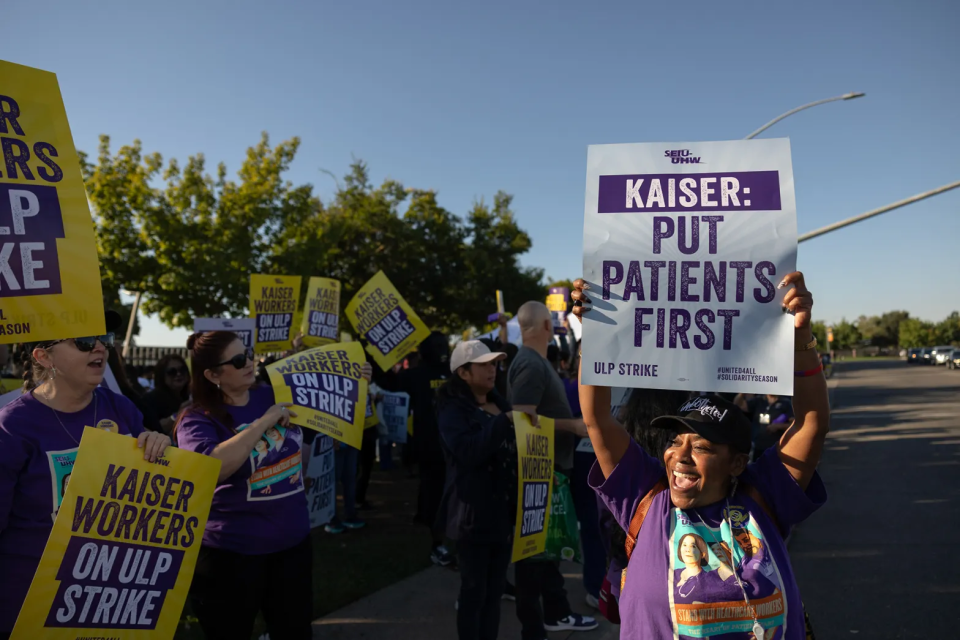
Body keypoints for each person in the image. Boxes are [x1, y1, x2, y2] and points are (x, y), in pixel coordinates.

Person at [575, 271, 829, 639]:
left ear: (737, 463)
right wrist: (594, 336)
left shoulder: (765, 496)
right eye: (675, 441)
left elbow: (811, 425)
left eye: (702, 446)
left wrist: (801, 338)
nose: (680, 455)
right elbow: (597, 419)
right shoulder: (645, 498)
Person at [174, 330, 372, 640]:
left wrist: (352, 377)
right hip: (231, 555)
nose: (249, 362)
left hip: (292, 546)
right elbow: (209, 468)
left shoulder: (275, 392)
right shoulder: (196, 418)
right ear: (213, 374)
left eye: (249, 353)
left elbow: (327, 409)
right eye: (239, 360)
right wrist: (262, 423)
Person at [0, 318, 170, 638]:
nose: (100, 347)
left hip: (109, 594)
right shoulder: (12, 426)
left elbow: (147, 482)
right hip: (30, 600)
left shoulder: (120, 407)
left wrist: (159, 446)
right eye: (83, 341)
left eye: (104, 338)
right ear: (43, 357)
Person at [508, 301, 597, 638]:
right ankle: (540, 622)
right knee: (535, 554)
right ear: (547, 325)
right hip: (539, 471)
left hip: (549, 470)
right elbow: (521, 419)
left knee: (546, 552)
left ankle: (554, 613)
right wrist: (572, 427)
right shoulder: (530, 364)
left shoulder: (535, 362)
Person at [438, 340, 519, 640]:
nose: (492, 369)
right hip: (471, 516)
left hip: (502, 512)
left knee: (494, 592)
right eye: (484, 364)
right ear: (463, 373)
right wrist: (501, 423)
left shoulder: (499, 401)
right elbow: (468, 451)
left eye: (494, 364)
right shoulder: (451, 411)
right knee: (475, 592)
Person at [735, 393, 795, 460]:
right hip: (758, 446)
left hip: (776, 447)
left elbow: (794, 424)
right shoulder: (759, 400)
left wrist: (779, 426)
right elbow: (738, 405)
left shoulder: (786, 403)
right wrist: (742, 392)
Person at [142, 353, 190, 434]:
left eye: (182, 369)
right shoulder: (150, 399)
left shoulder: (192, 395)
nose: (178, 374)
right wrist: (178, 414)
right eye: (172, 372)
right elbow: (155, 429)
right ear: (162, 375)